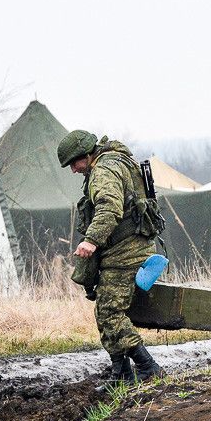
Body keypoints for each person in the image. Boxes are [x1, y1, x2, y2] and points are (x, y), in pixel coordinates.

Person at [57, 129, 164, 383]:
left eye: (74, 163)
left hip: (127, 252)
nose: (73, 170)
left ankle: (148, 368)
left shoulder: (103, 171)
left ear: (85, 154)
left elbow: (109, 207)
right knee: (104, 312)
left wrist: (91, 240)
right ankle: (121, 374)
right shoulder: (114, 161)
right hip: (126, 249)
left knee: (110, 314)